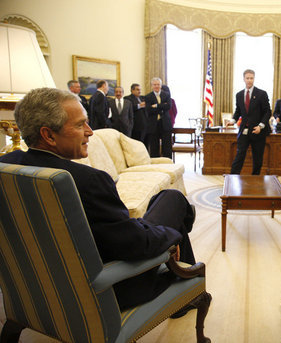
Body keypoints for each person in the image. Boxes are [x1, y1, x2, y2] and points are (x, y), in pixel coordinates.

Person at [0, 87, 197, 311]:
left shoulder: (9, 165)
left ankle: (186, 279)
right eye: (79, 124)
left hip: (36, 287)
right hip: (110, 288)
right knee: (174, 201)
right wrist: (173, 237)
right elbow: (136, 245)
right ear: (48, 135)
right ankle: (187, 284)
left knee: (163, 200)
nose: (90, 131)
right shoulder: (88, 181)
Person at [229, 69, 271, 175]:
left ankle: (255, 179)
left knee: (257, 157)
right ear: (243, 79)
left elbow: (267, 112)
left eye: (251, 78)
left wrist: (260, 126)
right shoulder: (239, 95)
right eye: (247, 78)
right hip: (244, 131)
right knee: (239, 155)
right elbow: (238, 110)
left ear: (254, 79)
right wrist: (233, 120)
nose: (249, 80)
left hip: (257, 130)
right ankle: (233, 177)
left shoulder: (261, 94)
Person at [145, 77, 172, 158]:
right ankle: (155, 165)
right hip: (153, 124)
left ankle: (168, 164)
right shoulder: (148, 96)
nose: (156, 86)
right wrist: (162, 107)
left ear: (161, 85)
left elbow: (169, 106)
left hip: (165, 123)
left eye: (158, 84)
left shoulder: (166, 95)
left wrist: (156, 106)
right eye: (155, 85)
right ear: (152, 86)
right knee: (154, 146)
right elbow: (149, 110)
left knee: (167, 146)